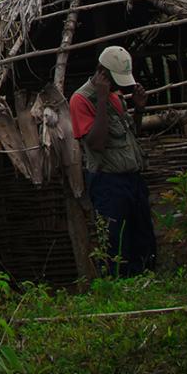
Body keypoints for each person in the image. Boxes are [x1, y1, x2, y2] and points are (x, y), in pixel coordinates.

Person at [69, 45, 156, 276]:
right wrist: (100, 100)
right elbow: (96, 143)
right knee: (117, 243)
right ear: (102, 73)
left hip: (132, 179)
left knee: (143, 237)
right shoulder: (81, 100)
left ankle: (147, 283)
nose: (119, 85)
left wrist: (138, 110)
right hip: (108, 183)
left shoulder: (116, 98)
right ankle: (122, 290)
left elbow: (131, 135)